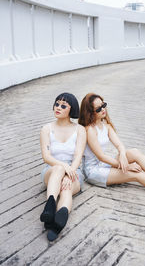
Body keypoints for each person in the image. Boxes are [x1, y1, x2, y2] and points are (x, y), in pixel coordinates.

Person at [40, 92, 86, 241]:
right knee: (59, 169)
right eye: (57, 104)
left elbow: (78, 155)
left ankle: (58, 222)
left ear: (71, 110)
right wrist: (64, 167)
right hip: (51, 170)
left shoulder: (80, 129)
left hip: (74, 171)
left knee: (66, 188)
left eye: (63, 106)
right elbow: (46, 157)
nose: (58, 107)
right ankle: (50, 206)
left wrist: (70, 172)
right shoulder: (46, 129)